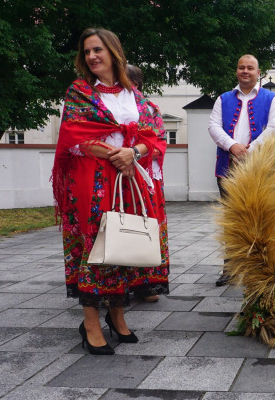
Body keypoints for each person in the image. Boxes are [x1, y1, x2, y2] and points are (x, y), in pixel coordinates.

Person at [51, 28, 169, 355]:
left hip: (129, 184)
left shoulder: (134, 94)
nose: (91, 56)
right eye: (87, 51)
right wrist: (119, 156)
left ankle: (117, 316)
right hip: (93, 183)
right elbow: (74, 135)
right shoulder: (79, 92)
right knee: (96, 249)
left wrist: (135, 154)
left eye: (98, 49)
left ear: (114, 52)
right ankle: (90, 322)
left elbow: (155, 133)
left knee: (124, 247)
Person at [209, 54, 275, 286]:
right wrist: (232, 146)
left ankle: (267, 265)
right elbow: (213, 126)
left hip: (260, 168)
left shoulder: (272, 99)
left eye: (250, 68)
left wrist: (249, 150)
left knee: (263, 215)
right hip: (228, 168)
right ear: (236, 71)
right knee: (231, 218)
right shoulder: (223, 98)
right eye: (241, 67)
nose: (245, 71)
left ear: (258, 72)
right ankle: (230, 268)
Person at [126, 64, 168, 303]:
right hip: (115, 175)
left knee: (146, 225)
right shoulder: (105, 107)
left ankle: (146, 283)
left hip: (143, 177)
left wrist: (134, 153)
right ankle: (115, 281)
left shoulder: (149, 108)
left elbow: (159, 141)